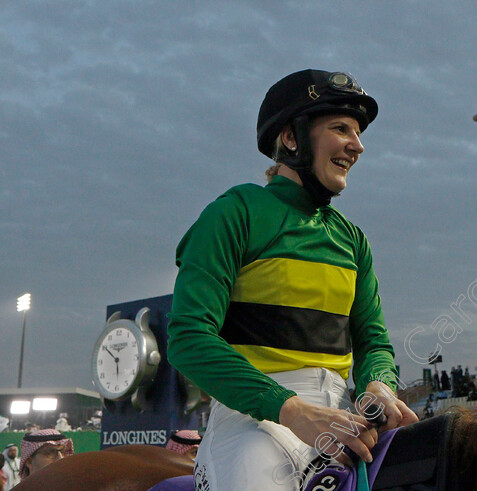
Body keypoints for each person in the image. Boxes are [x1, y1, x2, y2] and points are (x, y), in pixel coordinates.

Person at [167, 69, 417, 491]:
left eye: (357, 133)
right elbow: (188, 337)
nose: (357, 146)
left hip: (347, 418)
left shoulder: (353, 239)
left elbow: (374, 343)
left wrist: (378, 384)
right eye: (341, 129)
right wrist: (293, 409)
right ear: (291, 138)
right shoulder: (234, 212)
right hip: (254, 423)